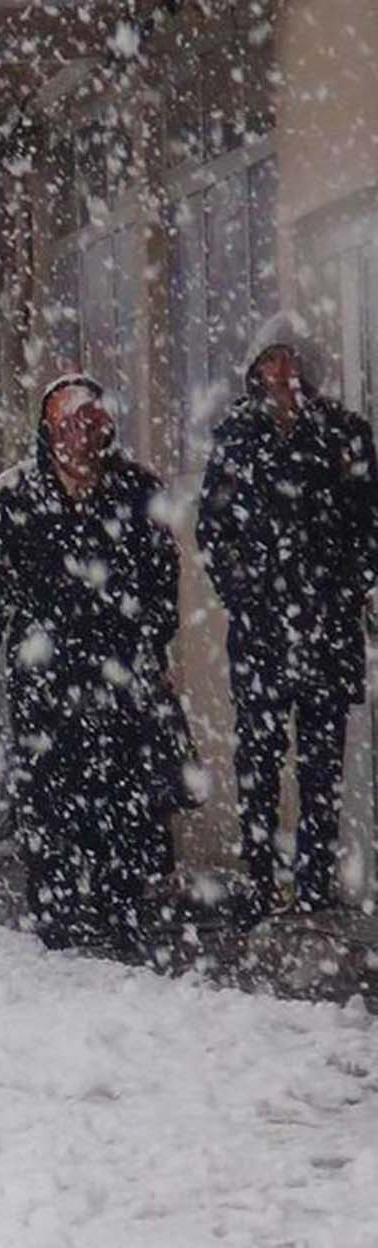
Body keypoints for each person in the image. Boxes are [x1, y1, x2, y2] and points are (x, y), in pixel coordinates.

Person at [0, 374, 181, 953]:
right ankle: (55, 905)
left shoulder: (135, 491)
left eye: (93, 420)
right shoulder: (19, 497)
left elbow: (161, 578)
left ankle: (120, 903)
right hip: (45, 670)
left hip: (116, 665)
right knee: (49, 788)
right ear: (49, 430)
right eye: (72, 422)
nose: (85, 433)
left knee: (122, 787)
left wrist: (152, 645)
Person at [196, 315, 378, 922]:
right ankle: (259, 877)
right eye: (271, 361)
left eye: (292, 360)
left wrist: (346, 589)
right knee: (259, 757)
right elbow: (213, 531)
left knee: (321, 762)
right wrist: (246, 593)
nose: (281, 373)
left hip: (326, 626)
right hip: (262, 631)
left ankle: (315, 881)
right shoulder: (235, 438)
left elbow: (367, 527)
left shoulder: (347, 435)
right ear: (254, 371)